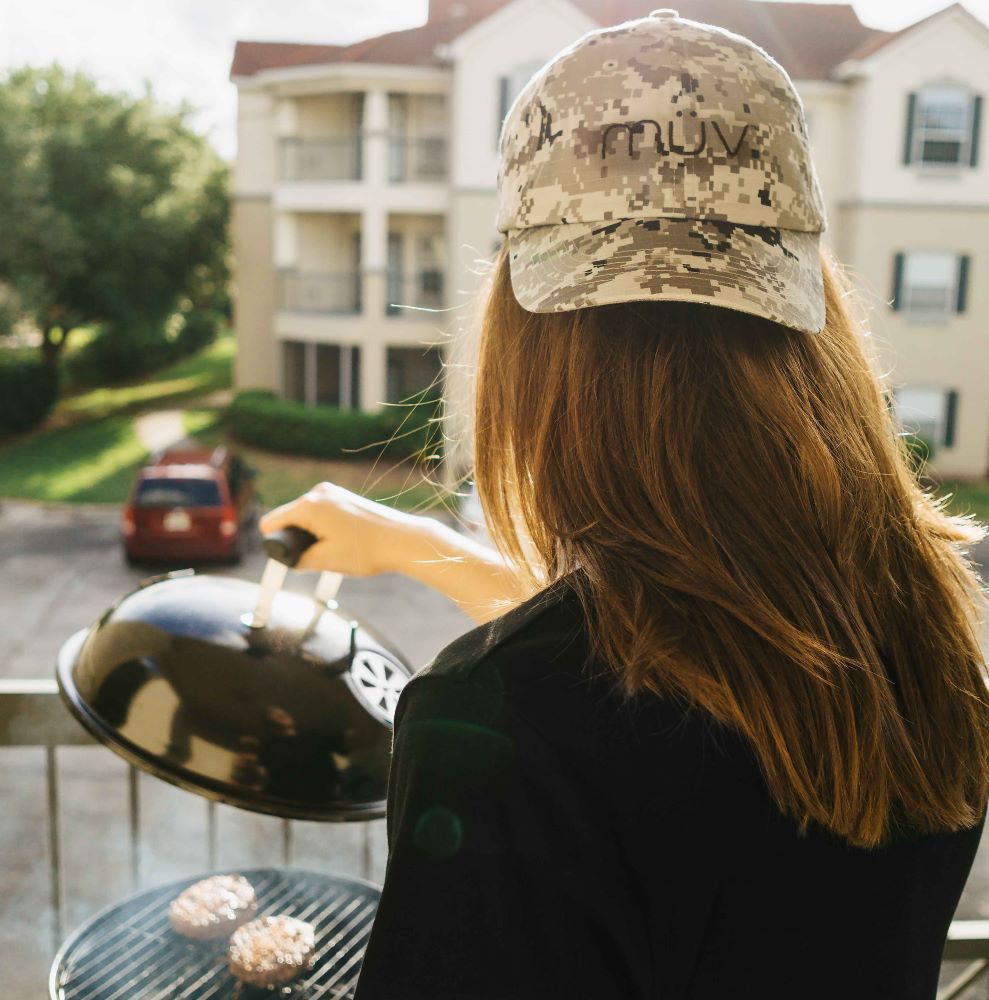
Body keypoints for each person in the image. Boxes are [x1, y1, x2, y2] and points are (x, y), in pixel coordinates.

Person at [260, 10, 989, 999]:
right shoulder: (918, 616)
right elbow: (678, 654)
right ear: (802, 310)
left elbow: (604, 693)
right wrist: (425, 549)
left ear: (532, 335)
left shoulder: (500, 723)